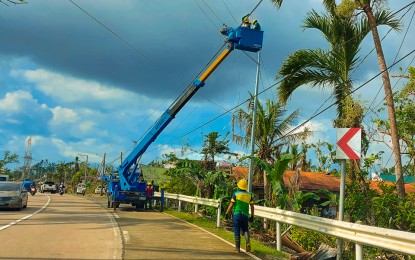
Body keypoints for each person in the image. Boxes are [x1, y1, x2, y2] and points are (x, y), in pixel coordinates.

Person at [225, 179, 254, 253]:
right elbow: (252, 206)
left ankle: (237, 248)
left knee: (237, 229)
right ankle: (248, 242)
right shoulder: (249, 195)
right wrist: (252, 216)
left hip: (237, 214)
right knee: (245, 229)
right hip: (245, 215)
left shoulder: (236, 194)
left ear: (239, 186)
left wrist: (227, 213)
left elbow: (231, 205)